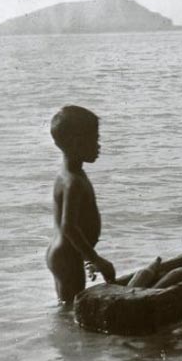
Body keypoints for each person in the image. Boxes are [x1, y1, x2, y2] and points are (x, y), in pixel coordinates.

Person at [46, 105, 116, 304]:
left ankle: (67, 334)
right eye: (94, 140)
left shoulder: (69, 174)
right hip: (67, 257)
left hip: (64, 254)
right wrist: (96, 259)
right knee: (72, 306)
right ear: (77, 143)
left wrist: (87, 255)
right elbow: (69, 226)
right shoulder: (73, 182)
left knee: (66, 305)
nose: (98, 145)